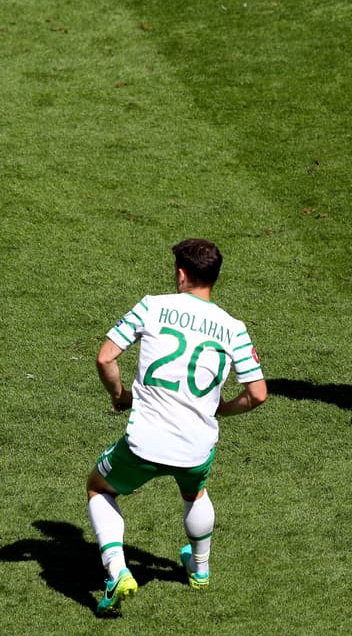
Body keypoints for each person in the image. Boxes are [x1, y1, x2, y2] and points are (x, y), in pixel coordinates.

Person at [86, 239, 267, 615]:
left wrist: (120, 396)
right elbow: (258, 394)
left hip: (144, 441)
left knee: (98, 488)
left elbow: (106, 358)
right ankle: (199, 570)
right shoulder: (234, 328)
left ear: (181, 274)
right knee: (195, 491)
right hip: (196, 444)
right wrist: (222, 409)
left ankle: (118, 571)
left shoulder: (152, 305)